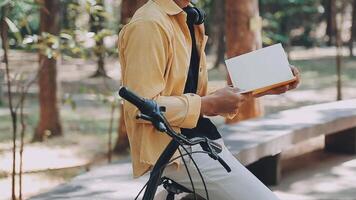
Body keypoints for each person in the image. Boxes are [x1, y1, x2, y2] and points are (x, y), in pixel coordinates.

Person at [118, 0, 301, 199]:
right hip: (173, 152)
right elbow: (140, 107)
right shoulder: (148, 25)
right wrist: (208, 105)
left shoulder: (188, 17)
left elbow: (194, 92)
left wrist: (262, 88)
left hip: (200, 141)